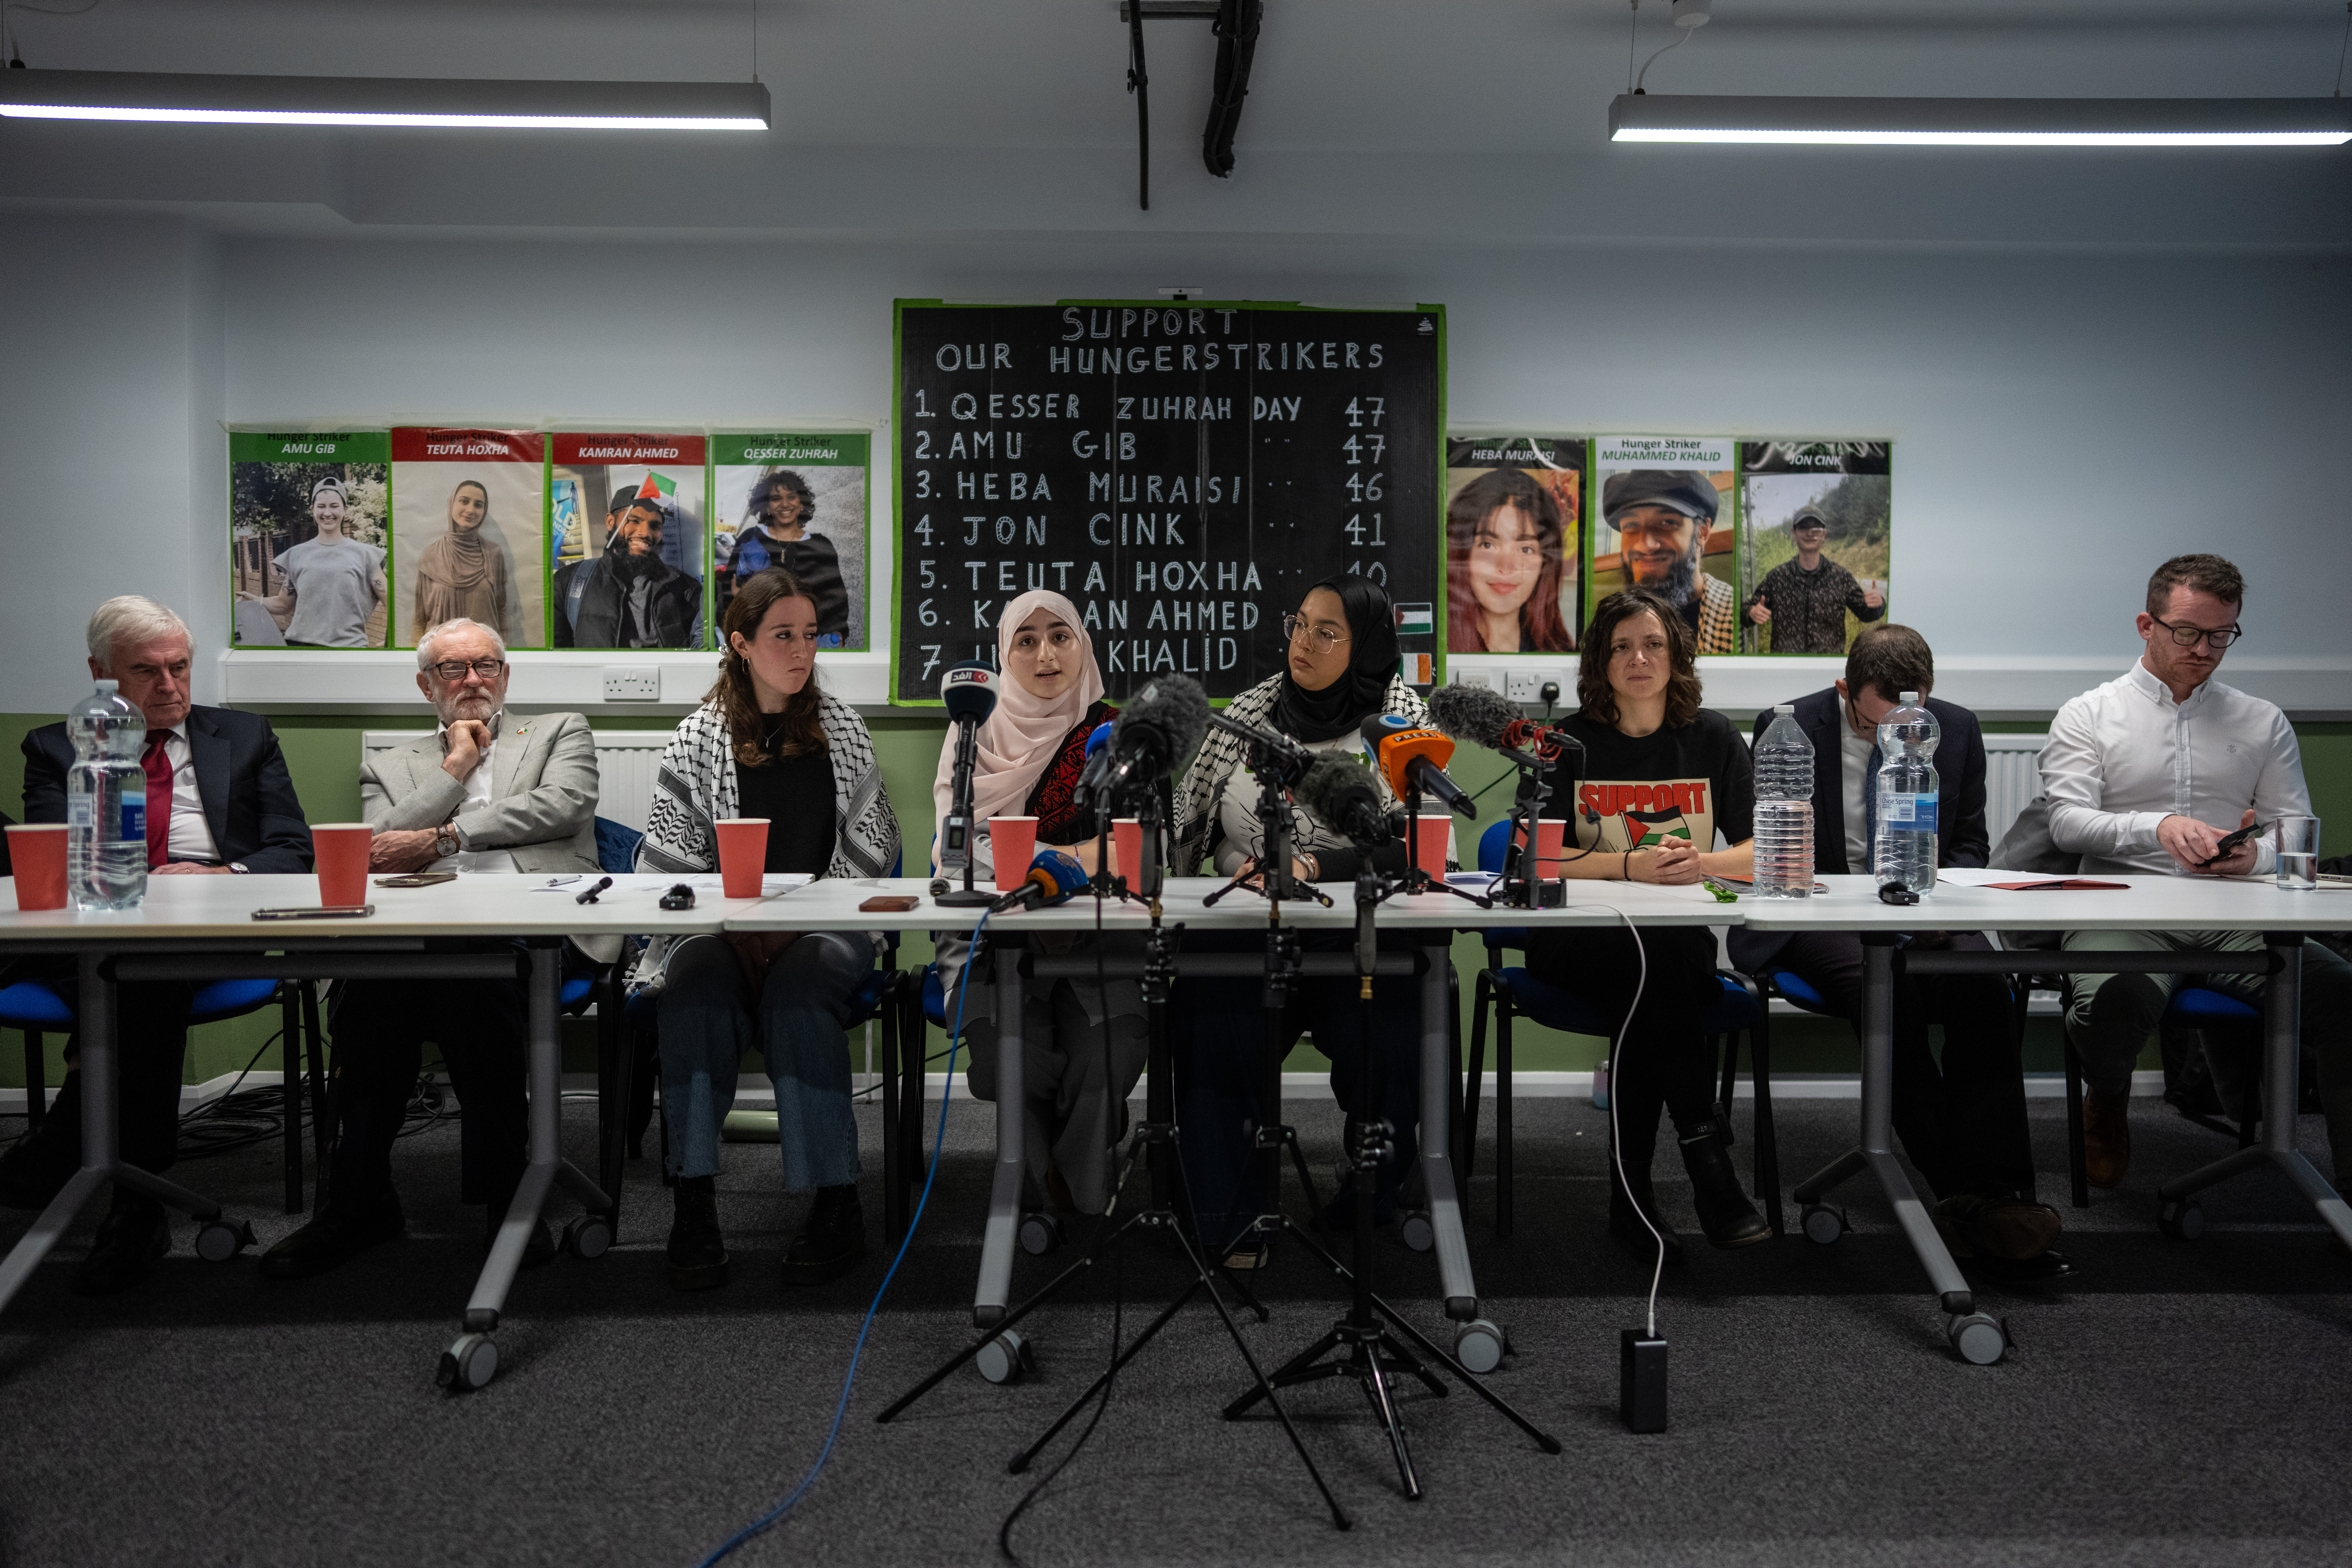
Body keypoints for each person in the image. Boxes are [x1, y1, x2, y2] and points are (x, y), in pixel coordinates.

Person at [258, 618, 616, 1279]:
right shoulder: (390, 763)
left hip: (536, 921)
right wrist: (455, 769)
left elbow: (563, 805)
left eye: (487, 665)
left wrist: (446, 838)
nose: (473, 679)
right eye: (454, 669)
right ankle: (360, 1203)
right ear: (427, 685)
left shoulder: (559, 730)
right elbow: (375, 845)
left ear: (506, 675)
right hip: (419, 927)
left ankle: (506, 1201)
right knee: (372, 989)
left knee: (470, 975)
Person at [1726, 624, 2064, 1271]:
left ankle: (2002, 1192)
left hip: (1921, 905)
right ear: (1843, 690)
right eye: (1873, 725)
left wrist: (1937, 897)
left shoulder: (1955, 728)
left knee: (1983, 986)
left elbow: (1969, 844)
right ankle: (1971, 1201)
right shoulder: (1787, 726)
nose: (1893, 740)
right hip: (1819, 916)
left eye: (1908, 722)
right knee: (1887, 993)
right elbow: (1768, 849)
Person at [1, 597, 313, 1293]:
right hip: (98, 929)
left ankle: (76, 1148)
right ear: (101, 673)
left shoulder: (246, 735)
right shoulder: (56, 747)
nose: (170, 686)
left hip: (214, 929)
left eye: (180, 667)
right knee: (139, 971)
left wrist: (220, 873)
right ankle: (135, 1204)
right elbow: (61, 859)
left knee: (146, 971)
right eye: (147, 671)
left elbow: (293, 849)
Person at [2041, 553, 2352, 1194]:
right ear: (2146, 625)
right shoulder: (2089, 713)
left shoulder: (2260, 720)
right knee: (2113, 1004)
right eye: (2187, 632)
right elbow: (2066, 822)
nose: (2204, 649)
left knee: (2344, 1000)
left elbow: (2293, 829)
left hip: (2234, 909)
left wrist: (2252, 857)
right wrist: (2154, 826)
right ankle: (2106, 1095)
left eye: (2220, 635)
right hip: (2122, 906)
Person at [633, 567, 901, 1289]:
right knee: (692, 992)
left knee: (798, 997)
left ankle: (836, 1200)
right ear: (741, 643)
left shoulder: (841, 728)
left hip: (824, 927)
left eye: (811, 634)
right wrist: (736, 926)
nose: (803, 650)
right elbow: (667, 869)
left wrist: (791, 926)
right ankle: (693, 1199)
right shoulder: (697, 737)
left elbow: (872, 848)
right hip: (721, 932)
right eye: (784, 635)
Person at [1169, 572, 1438, 1264]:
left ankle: (1375, 1190)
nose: (1304, 643)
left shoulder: (1400, 720)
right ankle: (1227, 1214)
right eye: (1299, 625)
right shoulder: (1250, 713)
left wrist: (1315, 867)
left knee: (1393, 1029)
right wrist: (1238, 863)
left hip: (1361, 936)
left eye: (1327, 632)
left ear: (1365, 645)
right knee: (1206, 1007)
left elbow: (1417, 846)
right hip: (1251, 927)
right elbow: (1199, 825)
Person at [1526, 587, 1768, 1261]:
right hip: (1576, 943)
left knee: (1651, 980)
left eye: (1653, 644)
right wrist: (1629, 866)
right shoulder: (1566, 743)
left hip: (1670, 946)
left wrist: (1702, 862)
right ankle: (1707, 1166)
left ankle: (1631, 1202)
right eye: (1622, 647)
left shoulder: (1712, 737)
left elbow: (1763, 850)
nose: (1639, 659)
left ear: (1677, 655)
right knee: (1655, 978)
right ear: (1600, 663)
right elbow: (1535, 854)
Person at [931, 590, 1144, 1217]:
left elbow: (1134, 851)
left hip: (1099, 942)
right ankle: (1050, 1174)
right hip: (993, 944)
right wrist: (1075, 857)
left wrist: (1045, 866)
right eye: (1026, 640)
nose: (1046, 654)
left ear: (1084, 645)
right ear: (1004, 653)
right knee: (1010, 1061)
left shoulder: (1117, 736)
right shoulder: (972, 734)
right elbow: (958, 853)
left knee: (1112, 1047)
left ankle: (1071, 1192)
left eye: (1060, 636)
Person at [237, 474, 387, 648]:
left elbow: (393, 602)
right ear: (312, 510)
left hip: (348, 651)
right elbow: (284, 604)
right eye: (321, 507)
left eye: (334, 506)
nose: (328, 513)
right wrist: (256, 601)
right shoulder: (297, 554)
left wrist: (389, 643)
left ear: (345, 510)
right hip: (300, 649)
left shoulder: (366, 555)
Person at [1599, 469, 1737, 657]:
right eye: (1631, 525)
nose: (1645, 546)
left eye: (1667, 523)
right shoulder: (1610, 622)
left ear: (1702, 533)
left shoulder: (1733, 615)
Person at [552, 485, 705, 649]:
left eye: (655, 526)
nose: (645, 533)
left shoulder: (686, 589)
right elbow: (559, 655)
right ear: (611, 522)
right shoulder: (569, 582)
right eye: (634, 521)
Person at [1446, 467, 1574, 653]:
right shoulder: (1436, 646)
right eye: (1487, 545)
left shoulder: (1562, 654)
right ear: (1461, 554)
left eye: (1525, 549)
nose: (1506, 568)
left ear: (1545, 563)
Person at [720, 470, 850, 643]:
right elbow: (729, 593)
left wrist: (837, 636)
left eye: (792, 497)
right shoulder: (750, 539)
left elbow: (837, 598)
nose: (785, 504)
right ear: (767, 507)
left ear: (802, 503)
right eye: (776, 499)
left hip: (811, 641)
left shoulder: (821, 546)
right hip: (762, 640)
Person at [1743, 505, 1885, 655]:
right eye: (1804, 527)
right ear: (1794, 533)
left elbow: (1866, 613)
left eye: (1816, 528)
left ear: (1824, 534)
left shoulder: (1841, 577)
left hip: (1826, 666)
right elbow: (1746, 609)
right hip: (1787, 665)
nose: (1810, 533)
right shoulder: (1777, 577)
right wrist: (1751, 613)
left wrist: (1878, 604)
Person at [409, 479, 516, 644]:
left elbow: (501, 612)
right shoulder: (431, 555)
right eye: (464, 502)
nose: (471, 510)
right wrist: (419, 654)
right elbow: (420, 620)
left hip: (483, 652)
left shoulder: (494, 554)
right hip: (441, 653)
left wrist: (502, 651)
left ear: (484, 511)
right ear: (452, 504)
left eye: (478, 505)